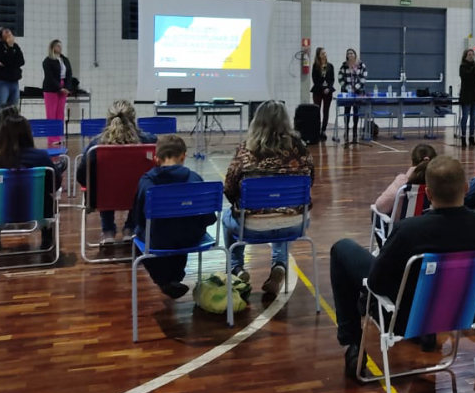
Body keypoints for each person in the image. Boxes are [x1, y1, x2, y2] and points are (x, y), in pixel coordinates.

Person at [330, 156, 475, 380]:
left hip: (405, 319)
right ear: (466, 188)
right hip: (464, 314)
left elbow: (376, 284)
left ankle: (351, 342)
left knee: (342, 249)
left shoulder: (409, 230)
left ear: (428, 193)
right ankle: (426, 329)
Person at [223, 101, 315, 299]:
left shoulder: (245, 151)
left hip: (252, 226)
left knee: (226, 217)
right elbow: (311, 181)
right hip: (295, 224)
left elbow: (229, 188)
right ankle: (279, 264)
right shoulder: (301, 150)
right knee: (283, 211)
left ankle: (236, 268)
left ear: (257, 121)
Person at [127, 135, 216, 300]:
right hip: (191, 238)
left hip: (159, 239)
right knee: (182, 227)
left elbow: (138, 216)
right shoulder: (195, 179)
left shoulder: (147, 182)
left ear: (156, 158)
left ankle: (163, 280)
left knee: (140, 236)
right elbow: (209, 218)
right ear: (183, 156)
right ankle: (175, 277)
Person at [75, 99, 157, 244]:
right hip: (138, 196)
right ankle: (130, 229)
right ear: (133, 118)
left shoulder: (96, 145)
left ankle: (108, 231)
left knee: (103, 183)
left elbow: (82, 175)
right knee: (139, 184)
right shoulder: (149, 141)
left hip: (104, 196)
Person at [0, 114, 57, 253]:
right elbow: (54, 185)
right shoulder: (41, 157)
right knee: (47, 198)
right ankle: (46, 234)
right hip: (39, 210)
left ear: (1, 135)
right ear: (28, 134)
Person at [374, 143, 437, 215]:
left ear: (412, 161)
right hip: (434, 221)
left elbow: (381, 206)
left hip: (404, 222)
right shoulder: (439, 184)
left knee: (376, 213)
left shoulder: (402, 182)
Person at [42, 39, 78, 146]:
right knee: (51, 113)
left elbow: (69, 74)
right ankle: (52, 138)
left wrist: (67, 87)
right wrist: (59, 88)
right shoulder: (47, 61)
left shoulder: (65, 60)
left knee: (60, 113)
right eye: (58, 46)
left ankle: (59, 136)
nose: (60, 48)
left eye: (61, 46)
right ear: (52, 47)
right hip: (51, 88)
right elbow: (49, 77)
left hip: (63, 86)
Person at [0, 26, 24, 108]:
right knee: (0, 107)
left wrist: (5, 64)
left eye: (10, 32)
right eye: (6, 32)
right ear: (0, 37)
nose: (10, 34)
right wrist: (10, 48)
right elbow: (6, 61)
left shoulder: (15, 46)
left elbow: (21, 61)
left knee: (13, 108)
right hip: (1, 82)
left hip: (14, 81)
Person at [338, 48, 367, 145]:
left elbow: (364, 78)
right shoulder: (344, 66)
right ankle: (346, 130)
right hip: (347, 92)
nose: (350, 55)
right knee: (347, 111)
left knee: (356, 111)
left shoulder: (361, 65)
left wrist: (356, 87)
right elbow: (340, 78)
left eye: (351, 53)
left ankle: (355, 130)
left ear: (355, 55)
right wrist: (348, 87)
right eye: (348, 54)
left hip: (358, 92)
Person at [458, 48, 475, 148]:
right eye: (469, 54)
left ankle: (472, 137)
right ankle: (463, 137)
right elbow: (467, 77)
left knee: (473, 117)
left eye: (473, 54)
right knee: (465, 116)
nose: (471, 56)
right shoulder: (463, 66)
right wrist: (474, 68)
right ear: (465, 56)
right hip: (466, 95)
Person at [310, 47, 335, 141]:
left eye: (325, 53)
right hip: (318, 91)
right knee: (317, 110)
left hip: (328, 92)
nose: (325, 55)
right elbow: (315, 79)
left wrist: (328, 88)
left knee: (326, 110)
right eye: (322, 53)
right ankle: (316, 130)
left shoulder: (330, 66)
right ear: (319, 55)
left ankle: (323, 130)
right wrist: (322, 88)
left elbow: (332, 79)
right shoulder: (315, 66)